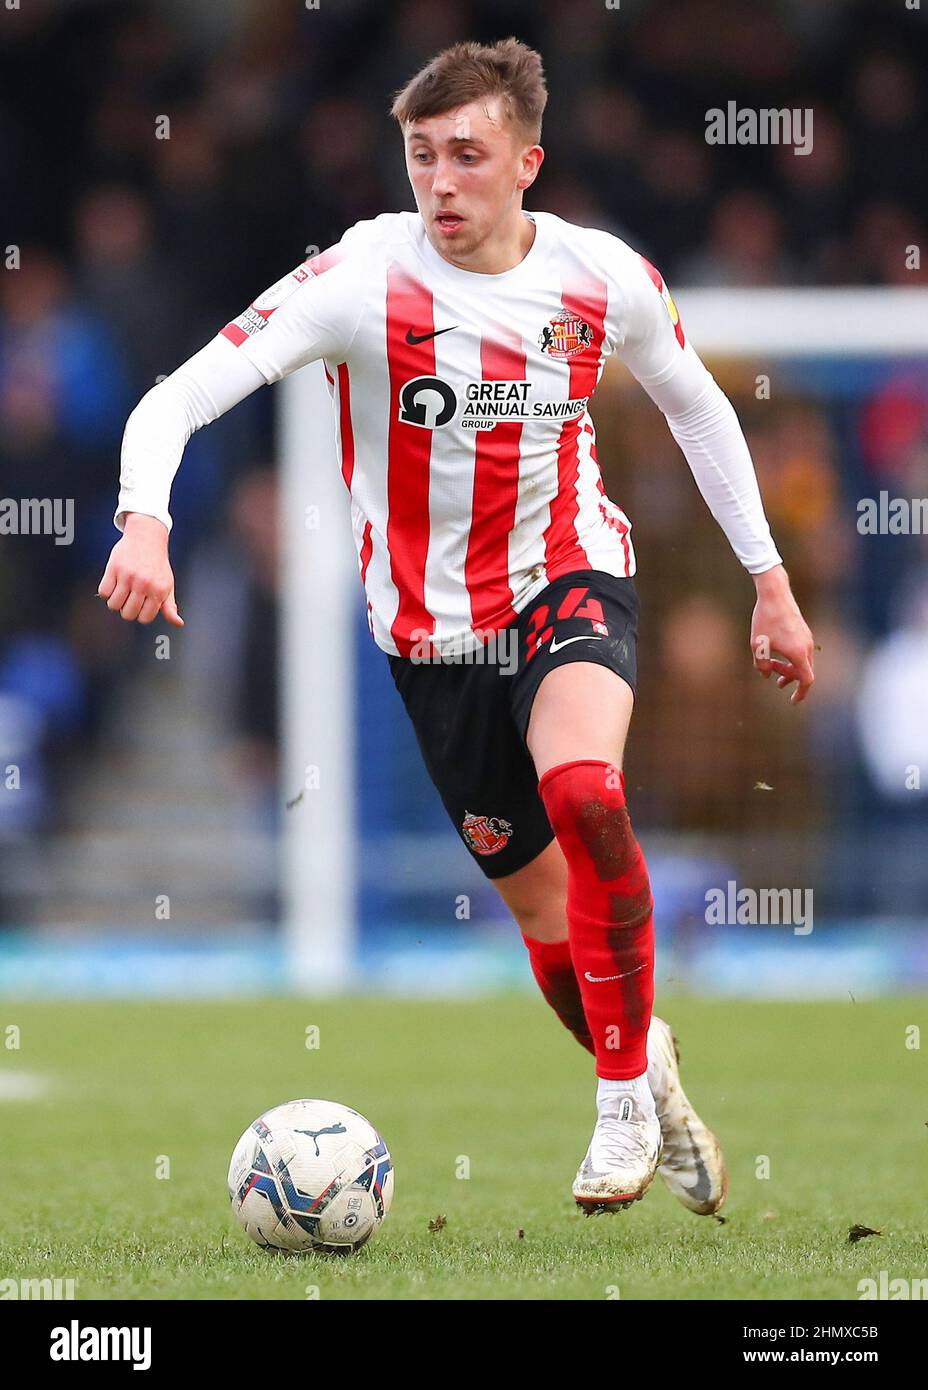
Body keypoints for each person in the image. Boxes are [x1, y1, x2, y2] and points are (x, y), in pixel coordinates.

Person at [98, 38, 815, 1214]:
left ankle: (621, 1102)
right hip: (433, 641)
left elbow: (695, 404)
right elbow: (175, 397)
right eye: (422, 155)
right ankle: (651, 1066)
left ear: (527, 162)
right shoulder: (357, 280)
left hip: (568, 577)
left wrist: (768, 580)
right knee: (543, 918)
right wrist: (143, 521)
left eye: (467, 156)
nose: (440, 181)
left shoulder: (601, 278)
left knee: (587, 791)